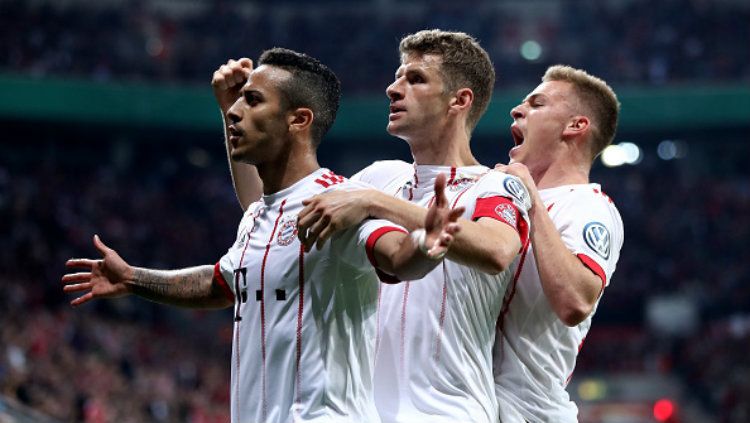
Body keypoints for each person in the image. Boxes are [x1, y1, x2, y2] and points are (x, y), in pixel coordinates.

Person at [62, 48, 466, 423]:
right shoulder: (258, 213)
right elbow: (222, 283)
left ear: (299, 120)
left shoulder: (338, 201)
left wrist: (426, 246)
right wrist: (133, 278)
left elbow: (396, 256)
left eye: (252, 101)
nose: (235, 112)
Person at [229, 30, 531, 423]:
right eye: (397, 75)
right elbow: (265, 208)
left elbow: (497, 249)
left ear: (459, 100)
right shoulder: (379, 176)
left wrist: (375, 202)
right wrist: (230, 113)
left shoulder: (495, 185)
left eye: (415, 79)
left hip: (450, 412)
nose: (393, 88)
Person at [492, 65, 624, 422]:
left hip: (529, 413)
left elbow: (575, 301)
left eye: (537, 104)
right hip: (471, 405)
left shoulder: (590, 207)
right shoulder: (500, 194)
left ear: (575, 126)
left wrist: (531, 199)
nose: (517, 110)